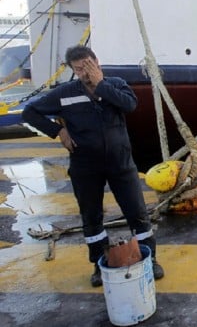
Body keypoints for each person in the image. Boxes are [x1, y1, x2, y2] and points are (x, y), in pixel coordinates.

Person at [22, 45, 164, 287]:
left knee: (137, 214)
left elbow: (130, 105)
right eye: (79, 69)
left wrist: (101, 85)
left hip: (121, 163)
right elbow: (30, 112)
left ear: (97, 62)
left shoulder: (116, 84)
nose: (85, 73)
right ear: (73, 70)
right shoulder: (65, 93)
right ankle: (99, 263)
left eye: (89, 66)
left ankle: (150, 259)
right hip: (85, 165)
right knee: (91, 218)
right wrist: (58, 131)